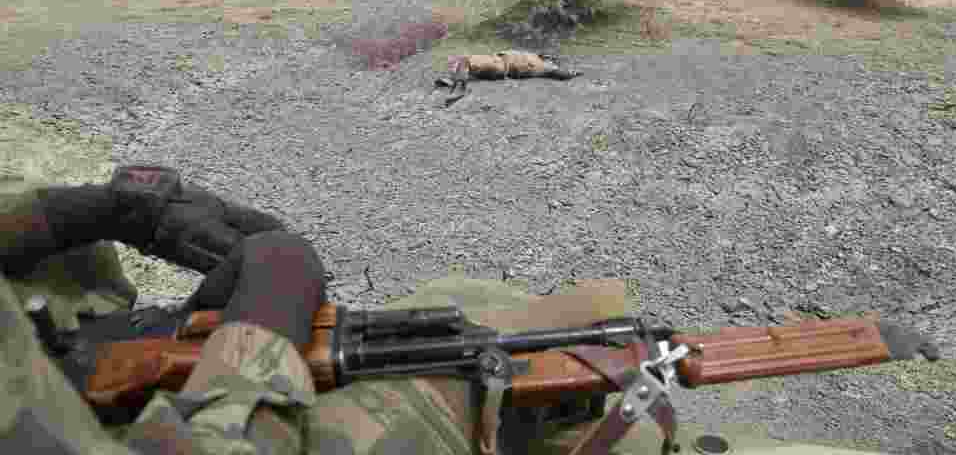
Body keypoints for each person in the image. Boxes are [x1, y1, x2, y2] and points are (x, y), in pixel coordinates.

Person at [0, 166, 669, 454]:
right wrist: (265, 324)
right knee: (472, 354)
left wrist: (84, 212)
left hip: (83, 347)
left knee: (481, 310)